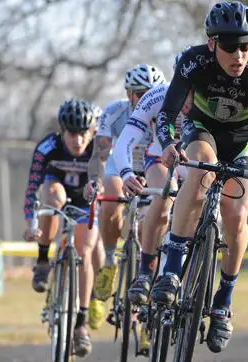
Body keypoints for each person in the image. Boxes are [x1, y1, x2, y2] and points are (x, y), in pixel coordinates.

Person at [151, 1, 248, 353]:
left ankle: (223, 301)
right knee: (199, 171)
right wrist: (167, 144)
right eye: (230, 46)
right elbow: (168, 113)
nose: (239, 54)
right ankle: (170, 269)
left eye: (246, 45)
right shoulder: (194, 61)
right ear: (212, 43)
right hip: (202, 131)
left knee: (236, 214)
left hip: (244, 140)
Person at [109, 49, 194, 306]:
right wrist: (124, 173)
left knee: (203, 214)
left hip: (196, 161)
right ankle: (146, 271)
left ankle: (192, 283)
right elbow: (125, 140)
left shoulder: (213, 98)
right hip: (160, 158)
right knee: (165, 195)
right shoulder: (158, 95)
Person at [87, 64, 167, 329]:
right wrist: (93, 181)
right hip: (120, 167)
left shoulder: (165, 110)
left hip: (152, 168)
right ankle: (109, 261)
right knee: (110, 194)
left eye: (150, 93)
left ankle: (149, 314)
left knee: (151, 225)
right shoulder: (114, 112)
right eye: (140, 93)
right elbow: (100, 155)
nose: (145, 98)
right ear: (129, 94)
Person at [22, 98, 102, 357]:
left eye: (83, 134)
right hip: (56, 192)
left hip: (86, 200)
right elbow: (32, 187)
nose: (78, 141)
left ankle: (81, 324)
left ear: (91, 131)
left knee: (84, 252)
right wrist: (30, 222)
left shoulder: (100, 148)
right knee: (52, 197)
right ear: (62, 131)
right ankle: (43, 260)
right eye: (72, 134)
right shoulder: (48, 147)